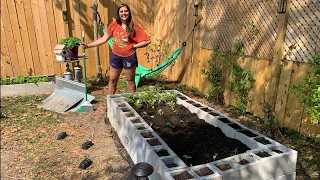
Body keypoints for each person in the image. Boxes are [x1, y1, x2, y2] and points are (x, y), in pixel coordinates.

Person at [82, 3, 151, 94]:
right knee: (112, 81)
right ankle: (111, 101)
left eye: (126, 11)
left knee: (130, 81)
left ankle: (131, 101)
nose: (123, 13)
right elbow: (104, 39)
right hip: (116, 56)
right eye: (121, 11)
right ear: (118, 14)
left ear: (129, 12)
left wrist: (134, 46)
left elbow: (147, 41)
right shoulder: (114, 25)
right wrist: (88, 45)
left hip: (129, 57)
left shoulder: (135, 27)